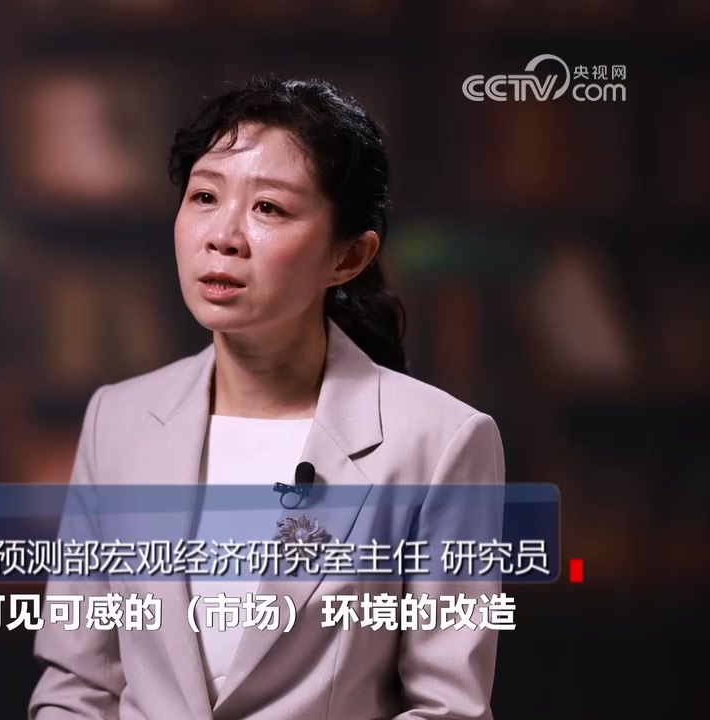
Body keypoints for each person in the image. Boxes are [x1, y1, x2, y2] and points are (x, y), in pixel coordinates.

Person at [28, 76, 506, 720]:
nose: (223, 235)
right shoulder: (119, 418)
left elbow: (448, 708)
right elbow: (77, 683)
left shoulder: (441, 441)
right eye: (204, 196)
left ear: (348, 257)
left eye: (269, 208)